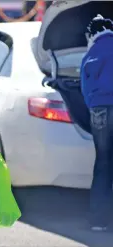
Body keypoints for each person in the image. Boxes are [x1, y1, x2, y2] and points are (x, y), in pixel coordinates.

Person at [81, 14, 113, 232]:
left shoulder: (92, 53)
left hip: (100, 109)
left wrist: (93, 107)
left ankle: (98, 221)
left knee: (103, 163)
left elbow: (85, 87)